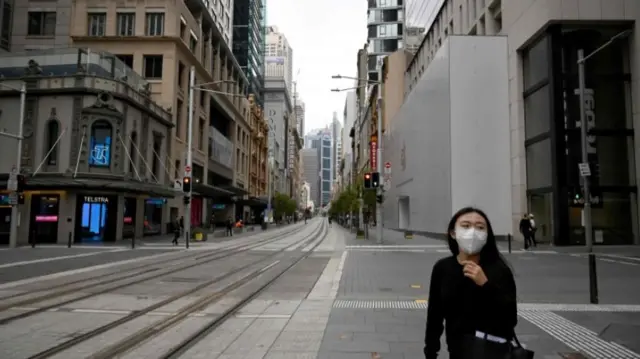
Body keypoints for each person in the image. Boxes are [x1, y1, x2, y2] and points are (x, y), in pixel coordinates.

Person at [424, 207, 517, 359]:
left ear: (487, 235)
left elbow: (510, 318)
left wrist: (485, 285)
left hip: (492, 352)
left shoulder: (499, 269)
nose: (473, 232)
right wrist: (431, 351)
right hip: (457, 352)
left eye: (480, 227)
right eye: (466, 226)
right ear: (453, 233)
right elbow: (435, 315)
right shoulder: (442, 268)